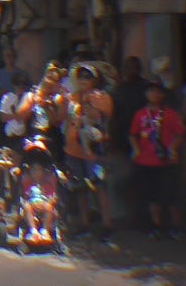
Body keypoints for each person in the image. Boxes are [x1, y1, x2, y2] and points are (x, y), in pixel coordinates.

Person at [64, 63, 114, 243]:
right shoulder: (72, 97)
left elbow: (100, 115)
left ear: (95, 79)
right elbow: (67, 118)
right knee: (79, 188)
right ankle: (84, 225)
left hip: (95, 151)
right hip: (73, 148)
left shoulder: (101, 96)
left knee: (99, 187)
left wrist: (85, 102)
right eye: (81, 77)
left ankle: (107, 225)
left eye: (87, 77)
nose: (83, 80)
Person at [129, 80, 185, 238]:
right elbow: (133, 134)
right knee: (151, 195)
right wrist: (136, 149)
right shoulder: (140, 114)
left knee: (170, 194)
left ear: (163, 95)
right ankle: (157, 225)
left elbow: (180, 134)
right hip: (145, 160)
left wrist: (173, 148)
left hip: (165, 160)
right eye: (150, 91)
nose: (154, 95)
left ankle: (176, 226)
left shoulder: (171, 114)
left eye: (157, 92)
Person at [20, 139, 60, 245]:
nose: (36, 173)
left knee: (49, 207)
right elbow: (25, 196)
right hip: (32, 204)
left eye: (39, 170)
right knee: (26, 207)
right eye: (34, 170)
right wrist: (26, 202)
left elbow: (52, 197)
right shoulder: (29, 183)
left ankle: (45, 231)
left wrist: (50, 202)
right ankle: (33, 232)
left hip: (44, 204)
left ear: (43, 172)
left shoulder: (47, 184)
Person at [0, 71, 31, 152]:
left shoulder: (28, 97)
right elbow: (2, 117)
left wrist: (20, 98)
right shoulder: (7, 97)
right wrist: (15, 115)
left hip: (23, 136)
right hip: (10, 136)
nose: (20, 86)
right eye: (18, 83)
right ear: (13, 84)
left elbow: (26, 117)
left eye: (23, 83)